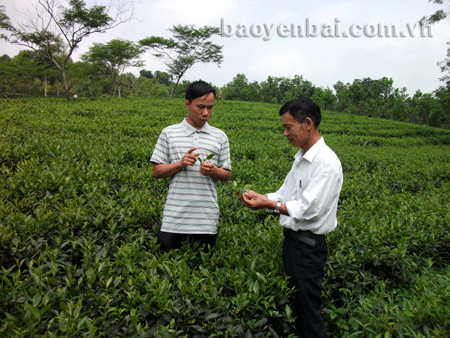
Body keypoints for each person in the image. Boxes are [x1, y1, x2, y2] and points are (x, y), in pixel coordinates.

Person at [240, 97, 343, 338]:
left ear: (308, 123)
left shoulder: (326, 162)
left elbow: (309, 209)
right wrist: (262, 197)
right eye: (284, 127)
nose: (285, 133)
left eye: (289, 127)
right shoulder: (301, 158)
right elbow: (285, 194)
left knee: (308, 313)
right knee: (298, 309)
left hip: (308, 247)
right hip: (294, 243)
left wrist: (269, 204)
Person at [151, 80, 231, 252]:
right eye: (200, 107)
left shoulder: (220, 136)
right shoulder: (169, 133)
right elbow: (156, 171)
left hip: (206, 220)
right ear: (187, 104)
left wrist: (213, 171)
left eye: (210, 107)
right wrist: (180, 164)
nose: (206, 113)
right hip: (174, 219)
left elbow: (226, 174)